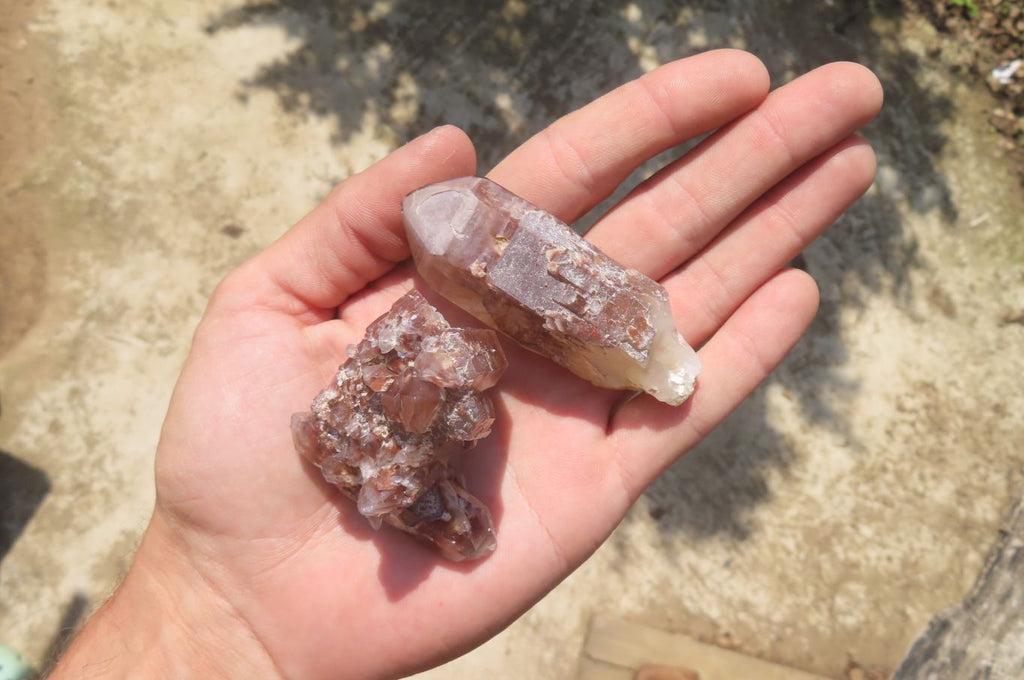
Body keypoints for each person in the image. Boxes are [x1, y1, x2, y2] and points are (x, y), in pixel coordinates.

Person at [50, 50, 881, 679]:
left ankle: (637, 358)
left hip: (580, 347)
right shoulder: (435, 322)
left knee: (600, 343)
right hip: (439, 408)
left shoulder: (504, 303)